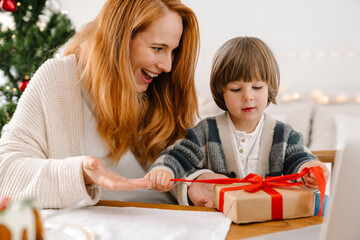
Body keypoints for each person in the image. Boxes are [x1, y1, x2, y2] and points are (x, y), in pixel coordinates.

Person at [0, 0, 200, 209]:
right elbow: (5, 176)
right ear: (119, 40)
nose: (167, 66)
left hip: (168, 222)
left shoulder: (162, 89)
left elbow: (192, 157)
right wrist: (81, 173)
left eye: (172, 51)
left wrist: (194, 182)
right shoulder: (57, 79)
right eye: (158, 48)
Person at [145, 36, 330, 207]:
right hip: (218, 219)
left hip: (267, 218)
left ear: (270, 88)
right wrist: (164, 170)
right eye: (235, 89)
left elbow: (299, 156)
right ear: (221, 92)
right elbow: (179, 155)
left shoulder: (283, 134)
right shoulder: (207, 131)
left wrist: (310, 169)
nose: (248, 97)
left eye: (257, 87)